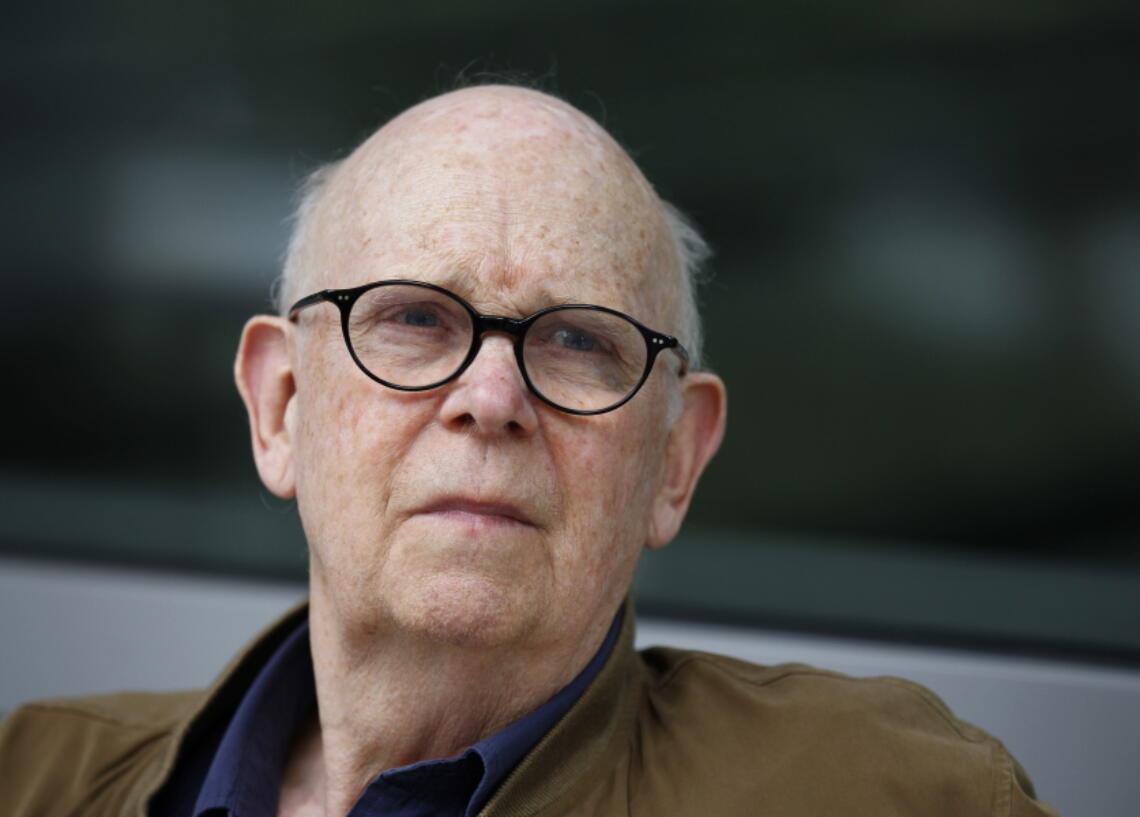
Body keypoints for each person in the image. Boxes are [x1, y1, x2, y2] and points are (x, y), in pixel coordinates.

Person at [0, 84, 1059, 817]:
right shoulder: (32, 775)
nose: (490, 398)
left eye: (579, 341)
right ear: (279, 405)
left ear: (675, 461)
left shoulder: (885, 797)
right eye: (412, 318)